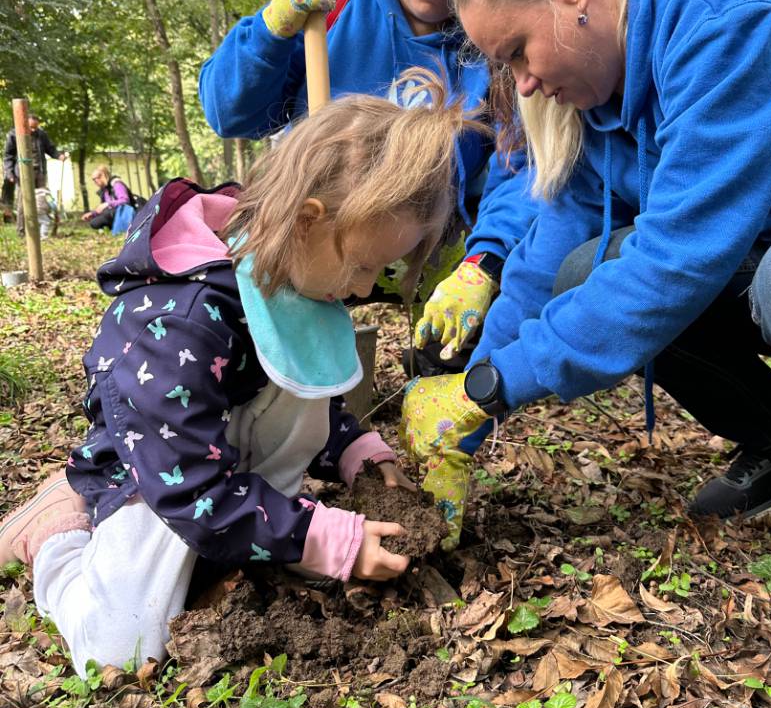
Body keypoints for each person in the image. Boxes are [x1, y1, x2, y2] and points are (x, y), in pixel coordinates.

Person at [400, 0, 771, 548]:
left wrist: (495, 387)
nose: (522, 83)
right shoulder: (600, 100)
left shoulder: (732, 17)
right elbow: (547, 250)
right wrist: (473, 384)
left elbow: (677, 257)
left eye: (518, 52)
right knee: (590, 268)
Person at [0, 78, 485, 676]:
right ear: (306, 221)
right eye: (364, 266)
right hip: (156, 476)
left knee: (231, 550)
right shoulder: (178, 323)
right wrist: (330, 541)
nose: (363, 289)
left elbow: (306, 390)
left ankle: (259, 526)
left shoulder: (304, 272)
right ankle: (54, 532)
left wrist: (356, 449)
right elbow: (190, 489)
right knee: (121, 645)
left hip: (226, 474)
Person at [199, 0, 537, 378]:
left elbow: (518, 174)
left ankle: (428, 390)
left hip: (422, 247)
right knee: (253, 353)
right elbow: (227, 112)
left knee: (477, 315)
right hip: (313, 232)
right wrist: (270, 30)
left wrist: (484, 261)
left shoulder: (493, 48)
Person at [3, 114, 67, 235]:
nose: (33, 130)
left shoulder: (41, 134)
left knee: (41, 201)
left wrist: (59, 156)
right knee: (24, 201)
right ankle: (21, 231)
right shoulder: (13, 135)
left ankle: (39, 230)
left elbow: (50, 148)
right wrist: (9, 173)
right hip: (23, 174)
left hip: (40, 172)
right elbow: (8, 156)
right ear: (24, 124)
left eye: (35, 128)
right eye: (31, 127)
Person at [83, 165, 136, 234]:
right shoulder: (105, 190)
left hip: (124, 212)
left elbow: (125, 200)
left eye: (95, 179)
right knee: (94, 222)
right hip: (111, 213)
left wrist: (108, 204)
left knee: (104, 216)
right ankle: (113, 228)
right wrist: (93, 214)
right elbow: (103, 207)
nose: (94, 182)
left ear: (102, 176)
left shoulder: (117, 184)